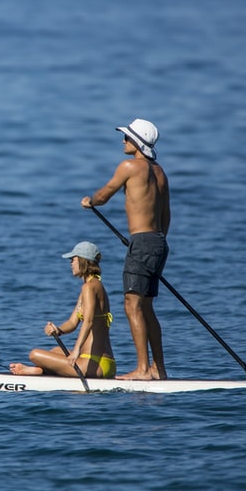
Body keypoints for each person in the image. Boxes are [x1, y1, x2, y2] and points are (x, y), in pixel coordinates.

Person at [82, 118, 170, 380]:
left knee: (132, 305)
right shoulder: (160, 172)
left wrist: (90, 200)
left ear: (138, 143)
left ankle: (143, 369)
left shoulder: (129, 166)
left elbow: (105, 194)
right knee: (147, 307)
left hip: (142, 243)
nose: (123, 141)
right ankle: (158, 369)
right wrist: (156, 243)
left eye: (127, 138)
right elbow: (166, 214)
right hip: (159, 242)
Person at [8, 241, 115, 378]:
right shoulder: (93, 285)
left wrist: (76, 351)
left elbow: (88, 321)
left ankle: (37, 370)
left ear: (83, 260)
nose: (71, 263)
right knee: (56, 351)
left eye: (73, 259)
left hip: (94, 364)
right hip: (102, 362)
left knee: (34, 354)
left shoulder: (89, 288)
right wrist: (57, 330)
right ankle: (39, 370)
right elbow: (72, 322)